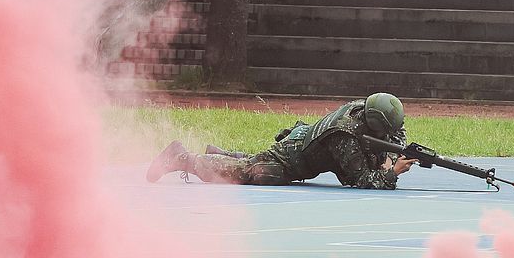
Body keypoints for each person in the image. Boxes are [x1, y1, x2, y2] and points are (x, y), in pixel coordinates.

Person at [145, 92, 417, 189]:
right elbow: (361, 180)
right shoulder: (344, 137)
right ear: (375, 123)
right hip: (292, 159)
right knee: (249, 173)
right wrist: (392, 173)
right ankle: (182, 159)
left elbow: (397, 135)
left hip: (301, 141)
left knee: (253, 162)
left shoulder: (365, 109)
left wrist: (392, 155)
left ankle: (221, 152)